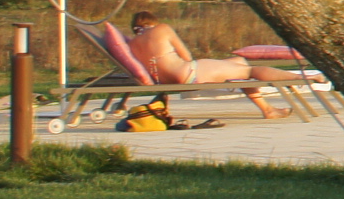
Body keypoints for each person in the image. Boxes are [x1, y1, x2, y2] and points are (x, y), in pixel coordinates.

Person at [125, 10, 297, 119]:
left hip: (166, 81)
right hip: (188, 73)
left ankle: (268, 109)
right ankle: (299, 78)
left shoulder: (132, 44)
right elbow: (186, 56)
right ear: (152, 22)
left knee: (238, 62)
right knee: (250, 70)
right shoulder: (162, 29)